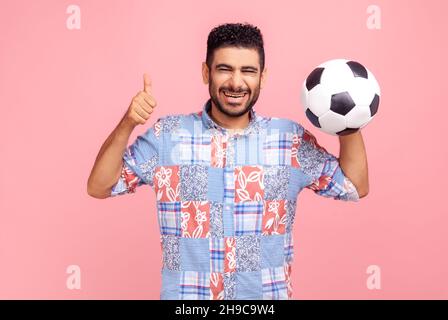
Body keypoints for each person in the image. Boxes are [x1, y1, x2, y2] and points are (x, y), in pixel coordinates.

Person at [87, 22, 369, 300]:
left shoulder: (290, 141)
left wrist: (349, 121)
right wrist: (128, 123)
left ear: (263, 76)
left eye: (248, 71)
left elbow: (354, 185)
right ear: (205, 72)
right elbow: (100, 186)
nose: (236, 82)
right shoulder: (167, 136)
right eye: (224, 69)